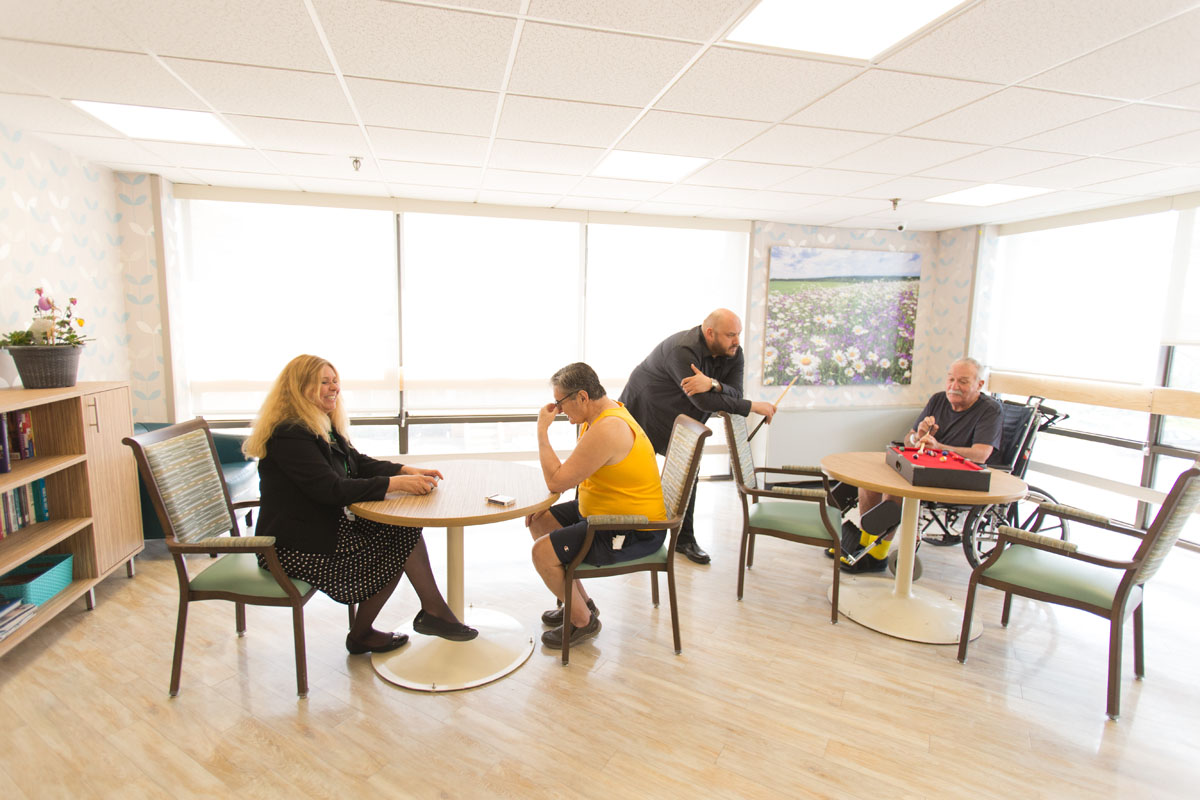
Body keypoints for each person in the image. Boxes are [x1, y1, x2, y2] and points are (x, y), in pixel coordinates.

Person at [243, 354, 476, 654]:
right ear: (300, 389)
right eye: (323, 382)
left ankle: (418, 618)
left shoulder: (319, 424)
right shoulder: (290, 434)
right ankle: (410, 621)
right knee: (396, 544)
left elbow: (357, 464)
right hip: (292, 546)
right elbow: (331, 489)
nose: (334, 388)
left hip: (320, 526)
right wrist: (395, 484)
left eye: (335, 380)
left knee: (402, 531)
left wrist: (404, 471)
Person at [619, 308, 778, 564]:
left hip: (684, 414)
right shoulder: (682, 350)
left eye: (738, 334)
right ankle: (628, 531)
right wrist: (751, 406)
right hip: (646, 407)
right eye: (730, 335)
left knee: (689, 471)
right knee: (635, 471)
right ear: (710, 333)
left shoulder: (733, 351)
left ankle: (684, 540)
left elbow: (735, 392)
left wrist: (713, 384)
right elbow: (704, 401)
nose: (736, 340)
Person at [527, 362, 667, 649]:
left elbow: (556, 481)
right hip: (604, 513)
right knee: (539, 520)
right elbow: (571, 476)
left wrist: (542, 431)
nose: (559, 409)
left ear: (582, 397)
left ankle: (583, 622)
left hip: (632, 529)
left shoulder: (609, 428)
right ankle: (581, 604)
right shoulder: (604, 413)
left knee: (542, 553)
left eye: (560, 402)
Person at [845, 356, 1003, 572]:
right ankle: (865, 544)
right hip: (923, 469)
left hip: (956, 477)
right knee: (869, 482)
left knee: (894, 492)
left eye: (963, 382)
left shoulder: (990, 410)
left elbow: (981, 454)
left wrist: (939, 447)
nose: (954, 387)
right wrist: (918, 438)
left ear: (979, 384)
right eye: (950, 380)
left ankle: (878, 555)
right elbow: (910, 437)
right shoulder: (938, 400)